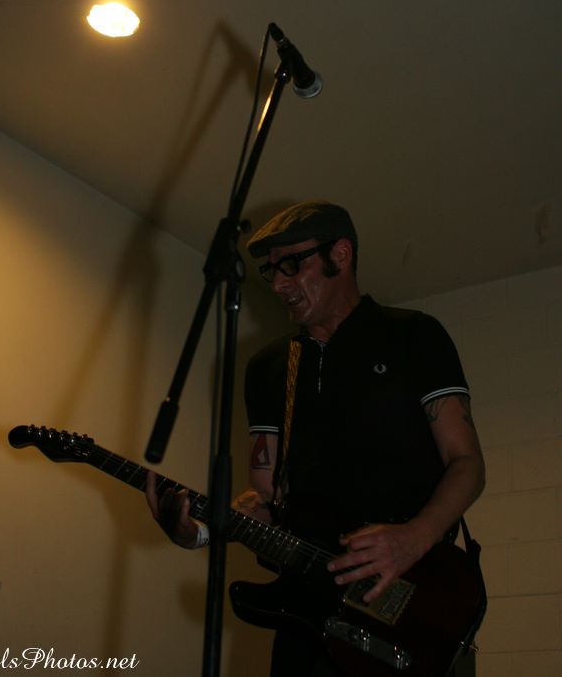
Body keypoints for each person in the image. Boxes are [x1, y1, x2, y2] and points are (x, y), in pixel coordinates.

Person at [146, 200, 486, 676]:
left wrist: (412, 539)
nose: (278, 284)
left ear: (340, 255)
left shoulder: (414, 336)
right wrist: (200, 530)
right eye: (271, 271)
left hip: (413, 611)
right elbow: (265, 499)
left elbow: (467, 462)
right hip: (307, 622)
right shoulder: (267, 369)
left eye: (292, 264)